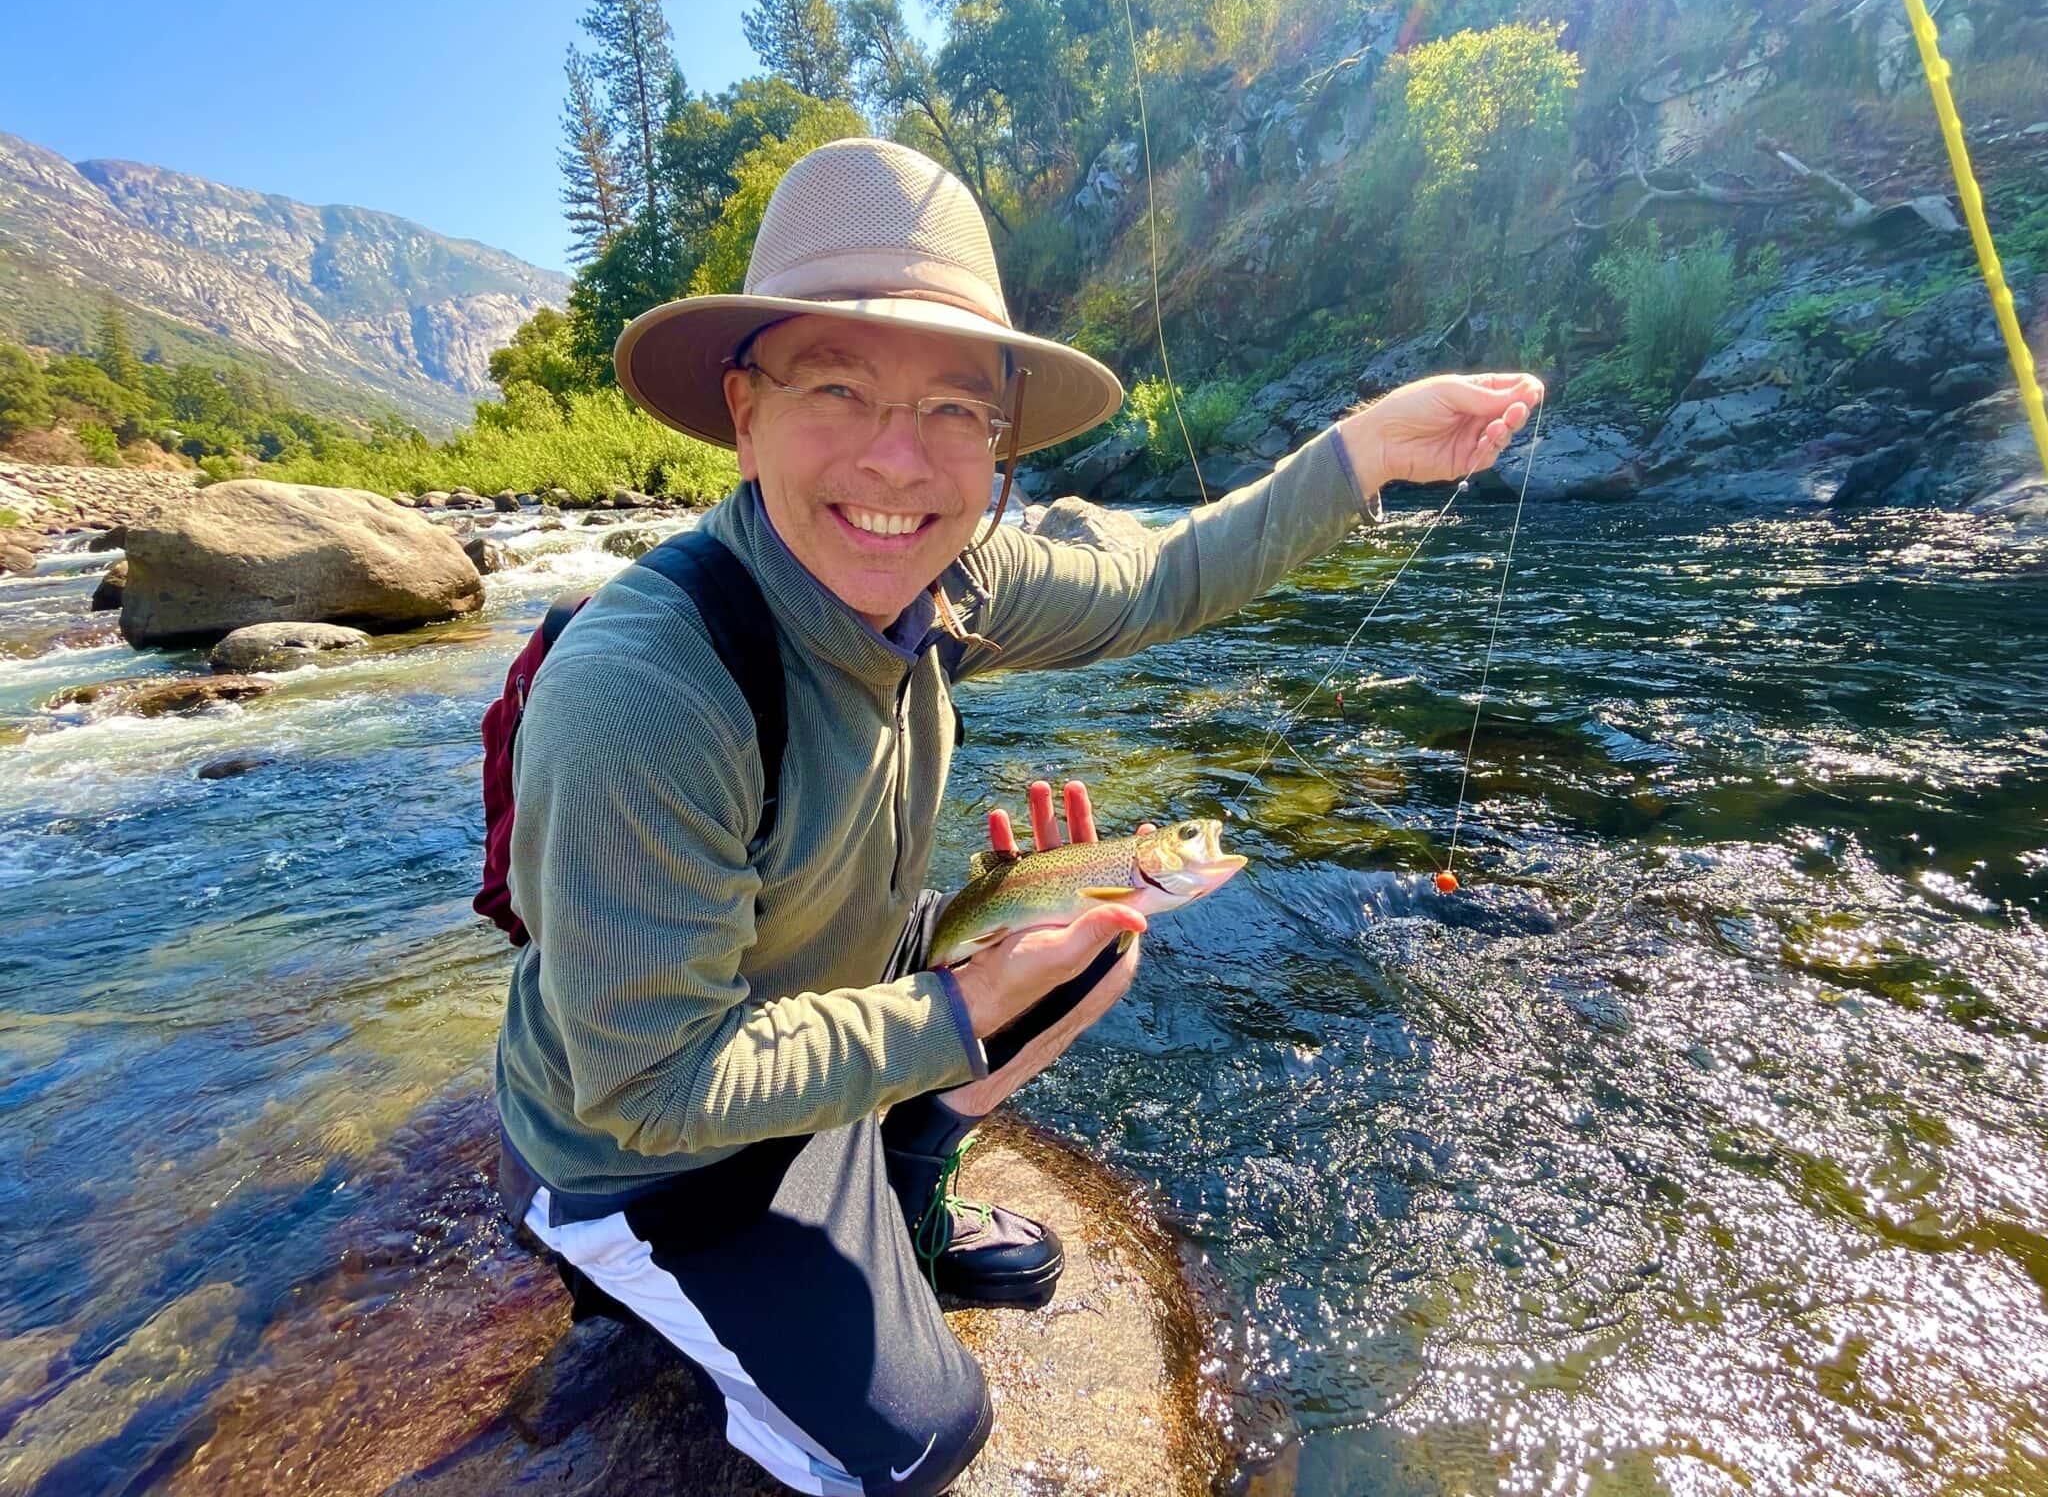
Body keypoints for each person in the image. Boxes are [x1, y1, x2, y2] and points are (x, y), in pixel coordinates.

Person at [493, 137, 1539, 1496]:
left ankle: (898, 1187)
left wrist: (1366, 454)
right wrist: (961, 1008)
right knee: (927, 1443)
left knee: (1099, 933)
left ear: (995, 446)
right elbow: (647, 1082)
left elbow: (1166, 573)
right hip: (645, 1151)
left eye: (952, 411)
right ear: (743, 411)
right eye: (837, 388)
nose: (898, 459)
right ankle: (646, 1292)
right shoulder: (644, 691)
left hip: (814, 994)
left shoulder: (950, 573)